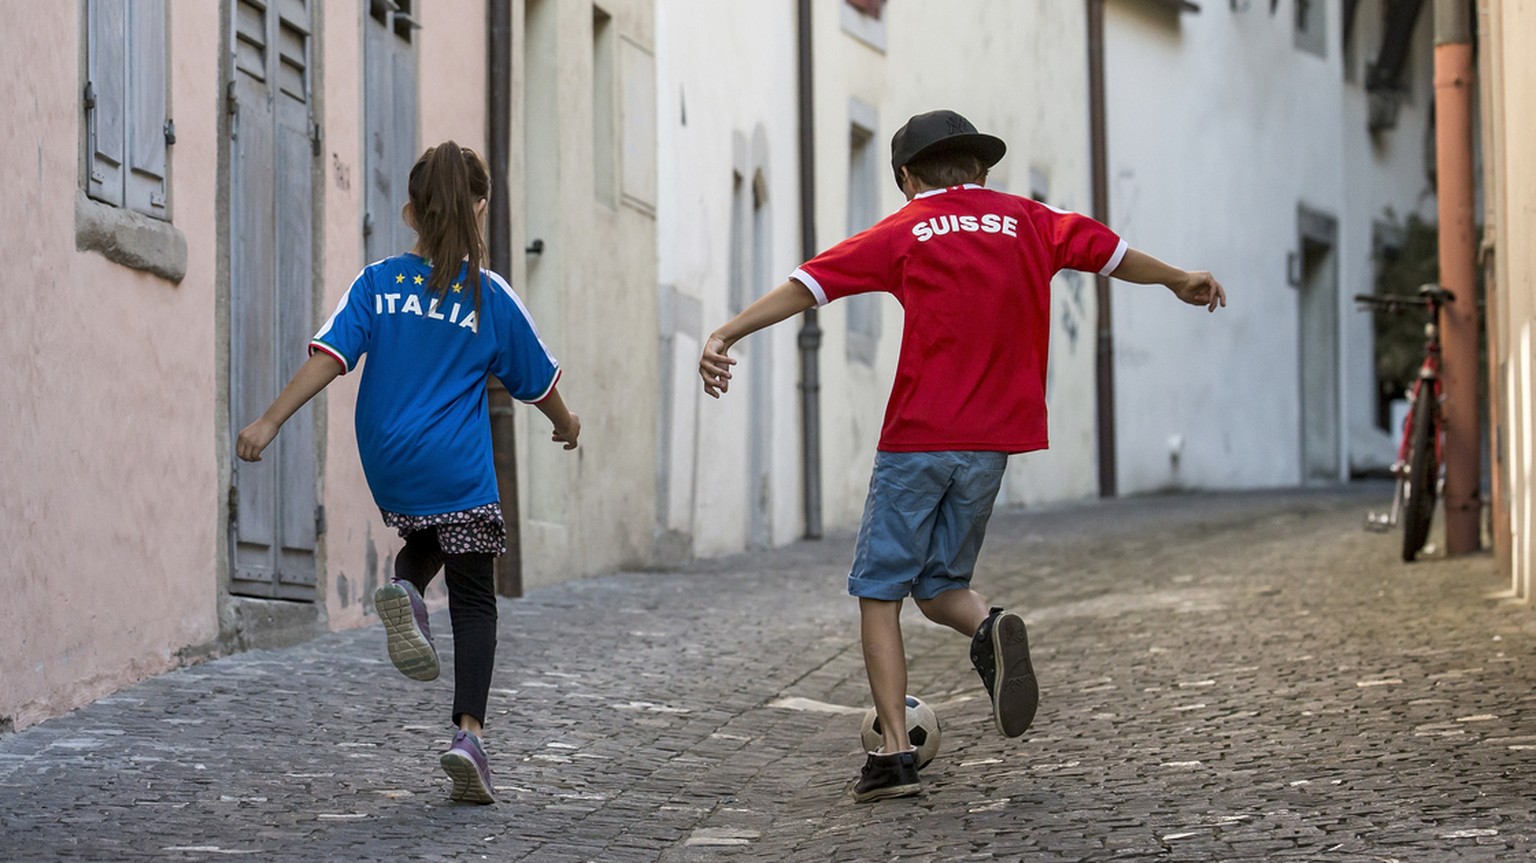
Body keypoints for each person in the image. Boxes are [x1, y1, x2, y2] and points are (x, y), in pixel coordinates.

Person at [698, 110, 1225, 803]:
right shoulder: (1034, 221)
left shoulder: (904, 228)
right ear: (981, 171)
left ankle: (892, 753)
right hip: (993, 443)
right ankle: (988, 626)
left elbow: (810, 284)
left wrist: (727, 332)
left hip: (918, 437)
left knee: (880, 590)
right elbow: (1113, 252)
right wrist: (1178, 278)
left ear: (907, 178)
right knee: (940, 583)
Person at [236, 141, 580, 805]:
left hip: (390, 459)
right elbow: (541, 384)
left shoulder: (376, 283)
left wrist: (269, 421)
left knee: (435, 524)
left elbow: (329, 357)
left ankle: (404, 581)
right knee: (476, 595)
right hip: (456, 464)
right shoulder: (490, 297)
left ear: (408, 214)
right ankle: (469, 737)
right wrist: (568, 425)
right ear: (479, 207)